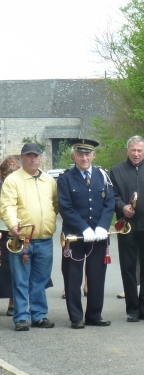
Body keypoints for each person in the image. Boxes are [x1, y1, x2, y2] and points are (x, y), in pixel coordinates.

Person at [57, 139, 115, 329]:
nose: (84, 158)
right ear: (74, 155)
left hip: (98, 236)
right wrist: (84, 228)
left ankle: (94, 315)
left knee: (97, 276)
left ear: (93, 155)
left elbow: (109, 204)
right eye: (80, 154)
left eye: (88, 154)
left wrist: (102, 226)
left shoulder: (103, 176)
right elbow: (65, 208)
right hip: (75, 236)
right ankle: (76, 317)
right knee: (73, 277)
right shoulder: (66, 178)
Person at [0, 145, 58, 331]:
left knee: (40, 280)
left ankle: (39, 315)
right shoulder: (12, 180)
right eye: (28, 156)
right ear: (21, 157)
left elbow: (55, 205)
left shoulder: (49, 181)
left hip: (44, 239)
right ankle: (21, 317)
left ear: (41, 158)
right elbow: (7, 206)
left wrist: (47, 222)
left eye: (36, 156)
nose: (32, 159)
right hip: (21, 239)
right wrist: (13, 224)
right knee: (20, 279)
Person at [110, 136, 144, 323]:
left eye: (140, 150)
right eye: (133, 150)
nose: (136, 154)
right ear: (127, 151)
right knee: (128, 268)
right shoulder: (116, 170)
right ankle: (132, 308)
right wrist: (122, 207)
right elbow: (112, 196)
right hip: (127, 227)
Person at [0, 157, 21, 317]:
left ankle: (13, 303)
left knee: (16, 269)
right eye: (8, 174)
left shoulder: (21, 184)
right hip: (1, 230)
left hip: (16, 230)